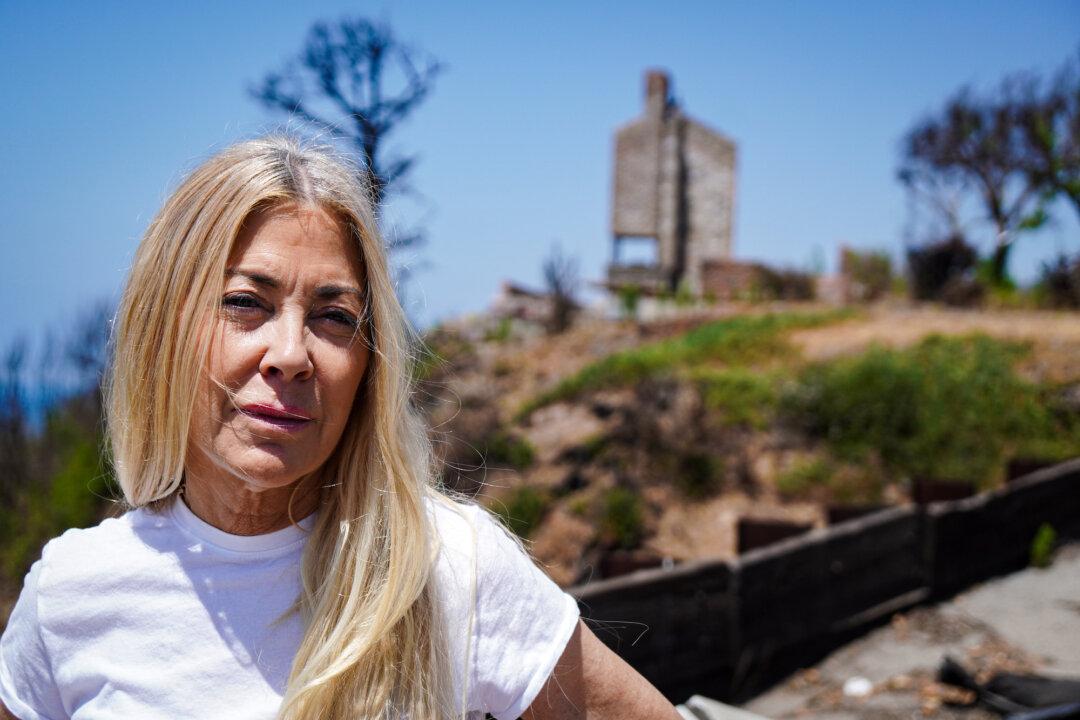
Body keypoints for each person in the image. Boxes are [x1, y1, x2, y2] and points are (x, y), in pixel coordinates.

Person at [0, 136, 680, 720]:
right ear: (163, 328)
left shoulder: (449, 568)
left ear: (367, 364)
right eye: (245, 303)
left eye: (333, 317)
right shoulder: (69, 595)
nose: (292, 353)